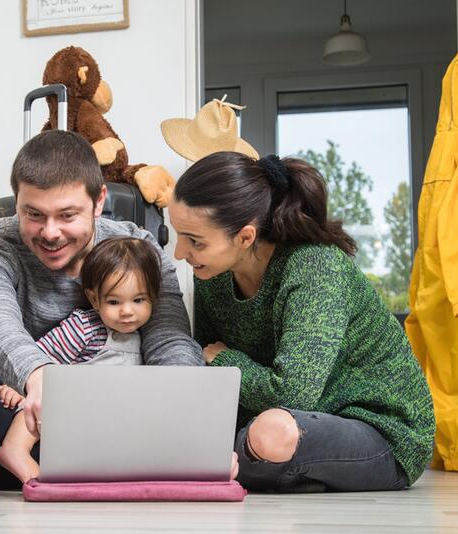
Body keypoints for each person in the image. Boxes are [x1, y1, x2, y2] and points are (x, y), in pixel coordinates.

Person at [0, 130, 202, 489]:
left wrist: (185, 413)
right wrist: (39, 377)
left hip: (116, 406)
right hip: (17, 405)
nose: (50, 233)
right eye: (33, 214)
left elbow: (169, 338)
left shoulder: (140, 249)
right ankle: (23, 455)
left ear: (98, 202)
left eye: (67, 215)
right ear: (16, 203)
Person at [168, 151, 435, 492]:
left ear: (246, 237)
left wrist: (226, 360)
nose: (179, 252)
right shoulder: (213, 277)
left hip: (381, 430)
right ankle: (272, 469)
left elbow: (294, 393)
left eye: (195, 241)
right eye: (179, 234)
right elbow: (219, 386)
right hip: (286, 418)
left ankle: (262, 465)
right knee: (212, 443)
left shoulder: (314, 266)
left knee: (271, 434)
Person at [0, 236, 161, 483]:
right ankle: (15, 449)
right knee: (47, 395)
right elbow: (37, 359)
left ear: (153, 298)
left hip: (106, 422)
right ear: (94, 299)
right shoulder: (85, 327)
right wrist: (16, 387)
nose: (127, 311)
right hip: (70, 413)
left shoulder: (147, 339)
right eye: (114, 301)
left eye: (138, 300)